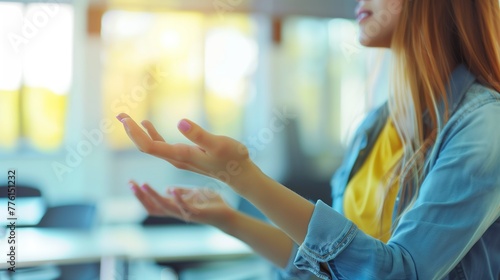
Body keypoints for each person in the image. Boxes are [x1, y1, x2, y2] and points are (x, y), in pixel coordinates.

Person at [116, 0, 500, 278]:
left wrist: (242, 176)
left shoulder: (485, 125)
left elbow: (396, 275)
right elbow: (329, 265)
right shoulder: (374, 127)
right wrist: (230, 218)